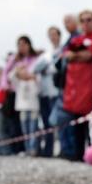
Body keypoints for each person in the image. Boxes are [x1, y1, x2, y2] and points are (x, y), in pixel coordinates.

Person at [61, 10, 92, 160]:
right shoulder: (76, 39)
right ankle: (77, 153)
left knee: (91, 123)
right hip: (75, 88)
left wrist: (75, 56)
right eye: (83, 20)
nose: (86, 23)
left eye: (89, 20)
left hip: (91, 87)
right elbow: (66, 55)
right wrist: (76, 55)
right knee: (76, 122)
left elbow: (89, 54)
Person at [51, 14, 81, 159]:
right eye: (64, 22)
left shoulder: (78, 38)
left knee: (68, 118)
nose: (66, 24)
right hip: (65, 84)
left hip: (73, 85)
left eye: (68, 21)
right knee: (62, 118)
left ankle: (70, 150)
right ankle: (66, 149)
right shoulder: (67, 41)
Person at [8, 35, 41, 155]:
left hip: (33, 102)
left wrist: (31, 77)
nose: (21, 47)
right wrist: (17, 72)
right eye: (19, 45)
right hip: (22, 103)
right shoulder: (18, 64)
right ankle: (27, 149)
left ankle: (33, 149)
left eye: (24, 44)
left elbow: (39, 79)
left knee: (33, 127)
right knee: (24, 128)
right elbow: (10, 77)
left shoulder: (35, 61)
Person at [33, 26, 61, 157]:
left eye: (55, 34)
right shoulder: (46, 54)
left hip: (56, 92)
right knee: (46, 123)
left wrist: (47, 68)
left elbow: (57, 68)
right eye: (51, 34)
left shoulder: (62, 50)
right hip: (44, 92)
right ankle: (48, 150)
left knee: (55, 121)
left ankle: (61, 149)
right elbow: (35, 68)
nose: (53, 37)